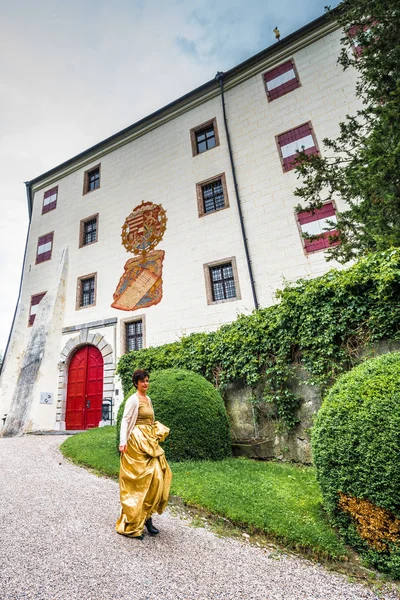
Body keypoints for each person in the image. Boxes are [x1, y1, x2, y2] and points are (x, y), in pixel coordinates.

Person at [116, 369, 172, 539]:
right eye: (142, 381)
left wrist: (156, 429)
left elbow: (151, 419)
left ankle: (147, 518)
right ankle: (132, 523)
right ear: (136, 383)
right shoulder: (133, 400)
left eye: (147, 380)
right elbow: (126, 420)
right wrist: (123, 441)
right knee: (138, 483)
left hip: (149, 441)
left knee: (156, 479)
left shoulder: (148, 399)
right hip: (136, 442)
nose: (146, 384)